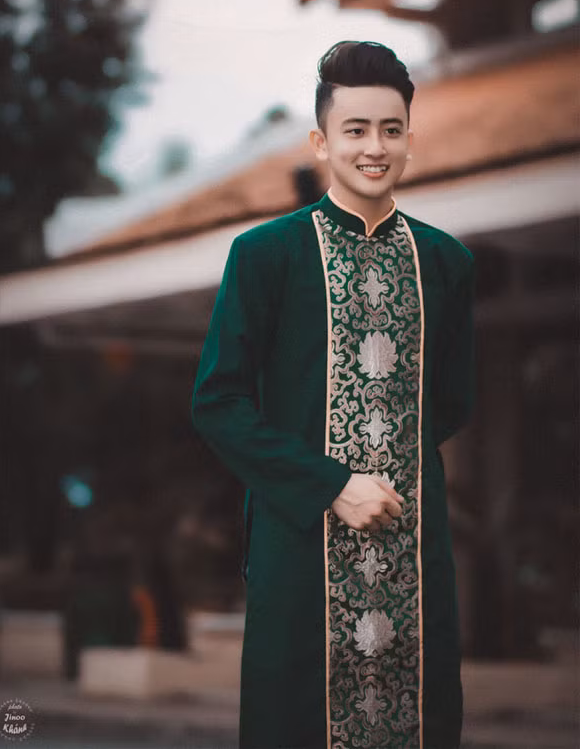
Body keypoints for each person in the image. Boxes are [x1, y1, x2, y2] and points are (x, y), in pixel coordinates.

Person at [191, 40, 475, 749]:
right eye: (356, 129)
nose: (374, 147)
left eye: (390, 129)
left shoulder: (447, 263)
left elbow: (452, 401)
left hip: (413, 557)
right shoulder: (266, 256)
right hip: (300, 555)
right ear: (322, 142)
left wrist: (391, 463)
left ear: (409, 139)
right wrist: (332, 484)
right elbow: (218, 403)